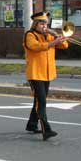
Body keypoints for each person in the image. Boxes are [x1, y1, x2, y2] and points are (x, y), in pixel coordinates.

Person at [23, 11, 68, 141]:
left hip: (47, 73)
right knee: (41, 101)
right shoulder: (30, 35)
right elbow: (35, 47)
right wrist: (52, 43)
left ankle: (31, 125)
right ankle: (46, 130)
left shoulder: (49, 35)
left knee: (38, 101)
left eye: (45, 23)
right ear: (36, 24)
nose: (44, 26)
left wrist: (58, 36)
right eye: (42, 23)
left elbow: (64, 46)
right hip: (35, 73)